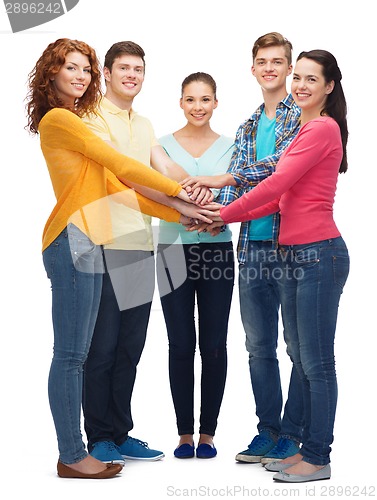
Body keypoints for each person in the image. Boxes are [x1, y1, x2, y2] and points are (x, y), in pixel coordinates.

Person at [25, 38, 208, 479]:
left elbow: (115, 188)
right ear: (51, 73)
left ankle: (96, 443)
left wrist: (181, 212)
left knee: (99, 350)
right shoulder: (63, 120)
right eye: (72, 68)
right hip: (74, 238)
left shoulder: (95, 122)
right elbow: (119, 165)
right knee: (74, 355)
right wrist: (181, 194)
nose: (81, 76)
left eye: (84, 69)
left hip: (95, 239)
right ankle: (74, 453)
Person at [208, 49, 350, 482]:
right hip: (295, 256)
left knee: (317, 363)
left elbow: (276, 182)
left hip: (318, 255)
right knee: (305, 360)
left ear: (329, 86)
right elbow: (276, 198)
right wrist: (223, 212)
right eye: (299, 78)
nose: (302, 85)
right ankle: (304, 449)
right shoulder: (307, 129)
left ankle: (318, 456)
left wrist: (221, 212)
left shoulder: (321, 129)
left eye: (312, 79)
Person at [81, 41, 214, 465]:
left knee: (129, 347)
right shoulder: (89, 117)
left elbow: (163, 165)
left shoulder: (144, 123)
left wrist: (194, 189)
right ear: (105, 72)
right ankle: (98, 437)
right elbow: (125, 175)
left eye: (138, 69)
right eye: (123, 68)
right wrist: (179, 204)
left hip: (138, 245)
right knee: (101, 347)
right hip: (101, 243)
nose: (132, 75)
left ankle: (120, 434)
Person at [182, 32, 303, 464]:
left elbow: (281, 168)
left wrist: (225, 183)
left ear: (290, 68)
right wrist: (210, 213)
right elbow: (236, 196)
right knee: (259, 347)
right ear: (252, 69)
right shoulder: (247, 126)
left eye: (277, 61)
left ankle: (294, 434)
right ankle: (267, 431)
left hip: (292, 245)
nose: (269, 68)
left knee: (297, 347)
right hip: (251, 246)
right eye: (262, 61)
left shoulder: (302, 117)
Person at [157, 72, 235, 459]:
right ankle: (184, 433)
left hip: (219, 250)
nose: (198, 107)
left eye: (205, 99)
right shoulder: (161, 146)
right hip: (172, 249)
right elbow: (155, 192)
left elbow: (243, 193)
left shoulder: (232, 146)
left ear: (216, 103)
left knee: (214, 344)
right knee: (180, 344)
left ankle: (208, 433)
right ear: (181, 102)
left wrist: (223, 216)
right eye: (191, 99)